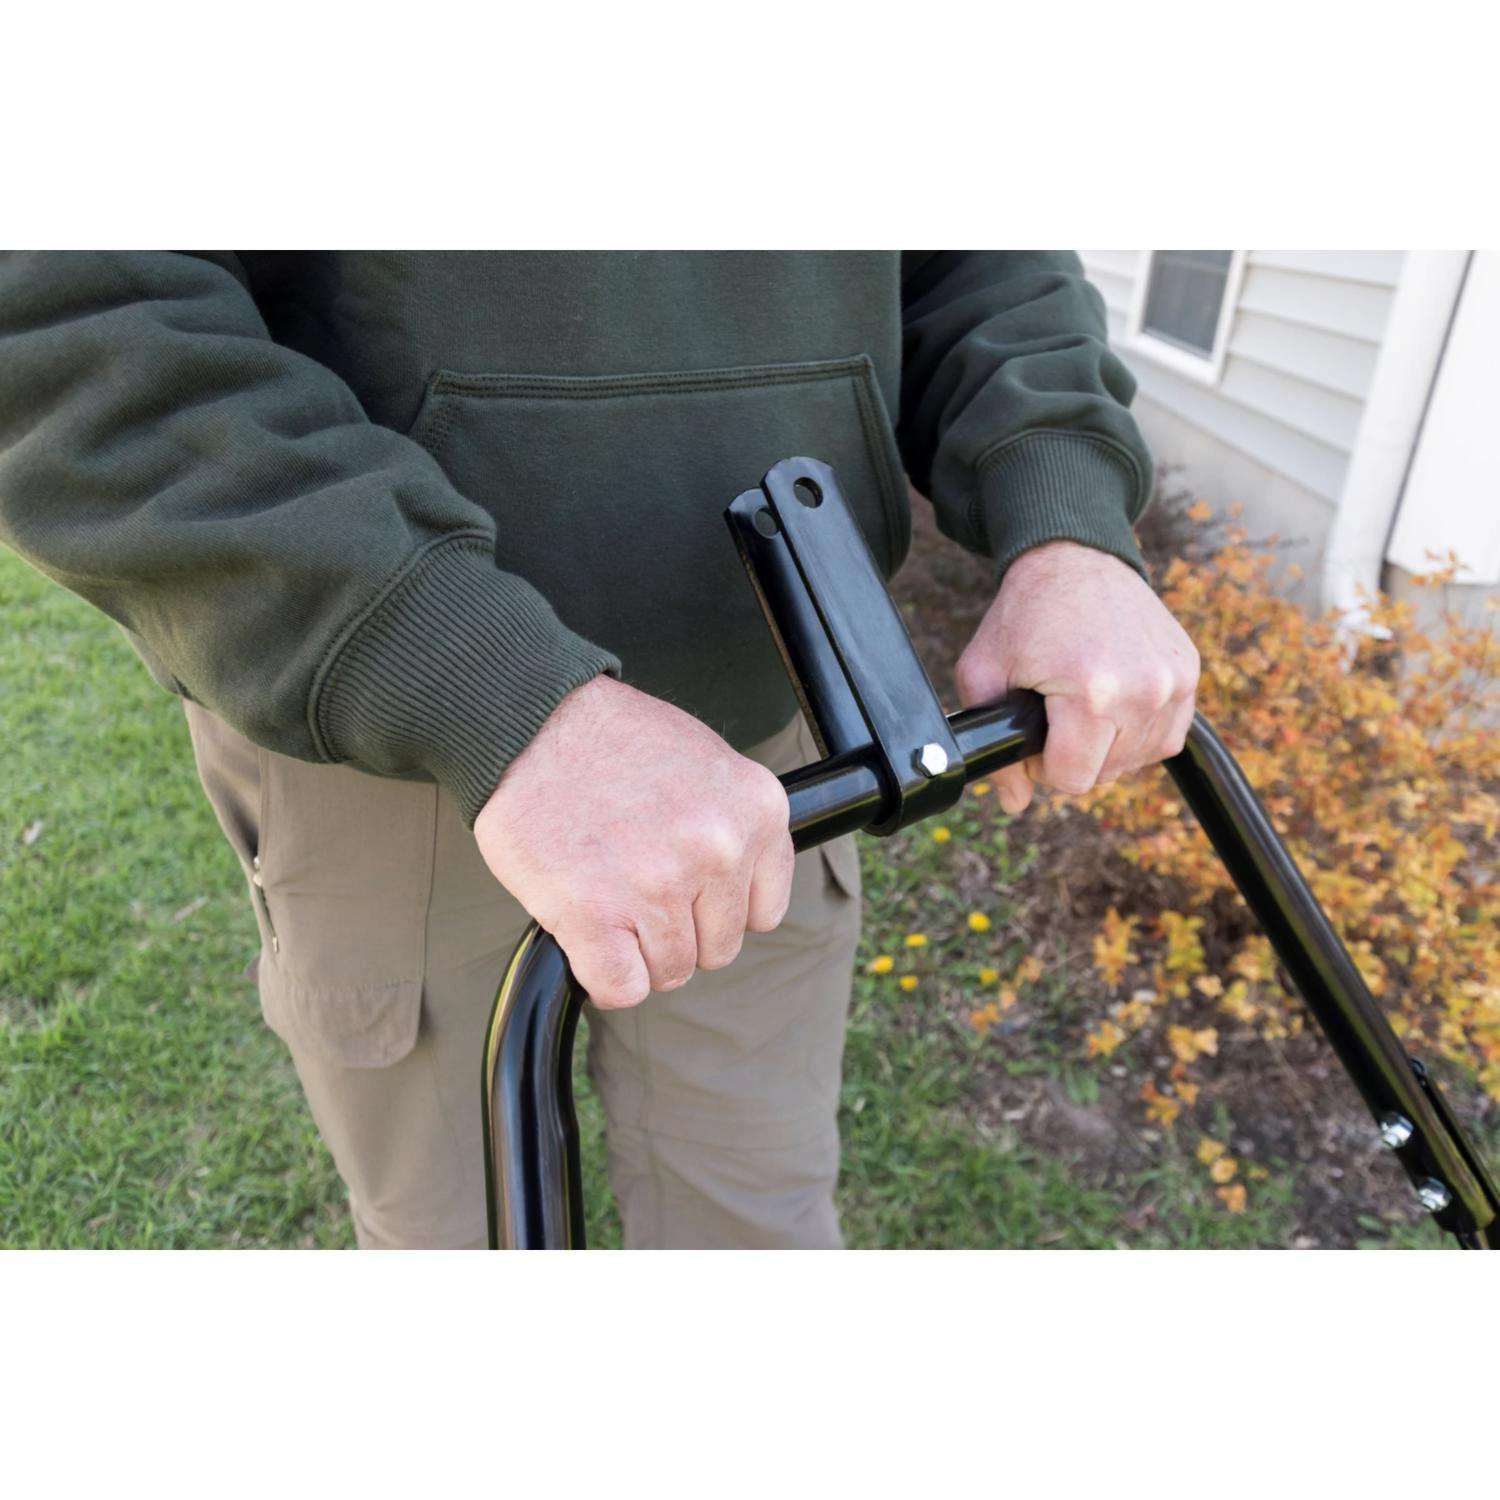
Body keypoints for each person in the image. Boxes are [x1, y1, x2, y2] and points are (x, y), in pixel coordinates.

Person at [0, 252, 1198, 1248]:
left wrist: (1067, 519)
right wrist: (476, 677)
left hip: (773, 740)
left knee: (759, 1226)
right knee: (458, 1244)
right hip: (405, 754)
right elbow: (70, 316)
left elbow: (984, 250)